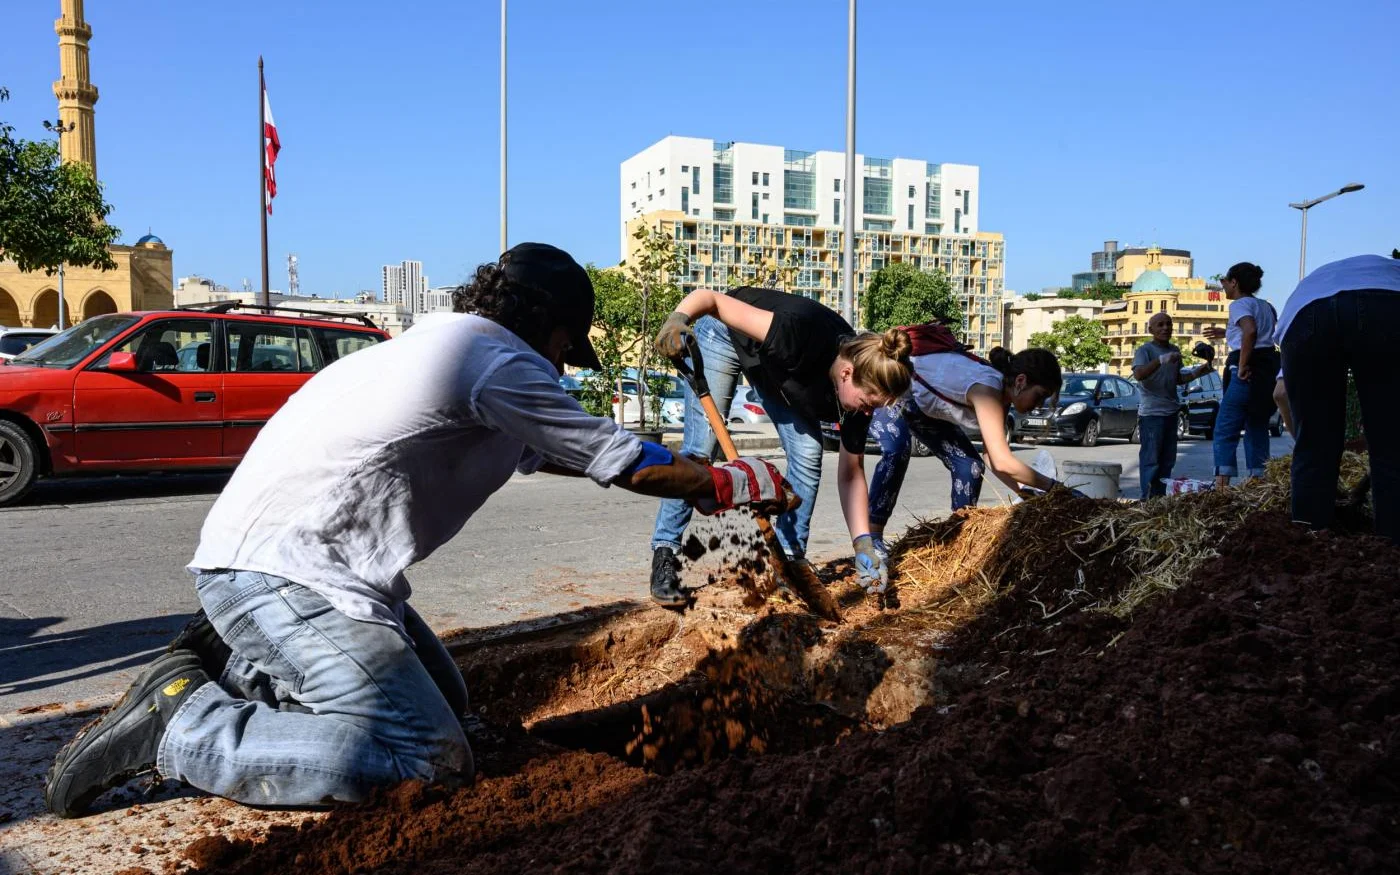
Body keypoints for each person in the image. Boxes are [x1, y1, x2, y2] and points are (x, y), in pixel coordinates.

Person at [45, 243, 797, 817]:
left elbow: (580, 450)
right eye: (569, 346)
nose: (566, 365)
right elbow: (622, 460)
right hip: (284, 576)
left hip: (285, 564)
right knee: (429, 756)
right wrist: (733, 481)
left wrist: (691, 467)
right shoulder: (494, 359)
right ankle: (186, 726)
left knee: (450, 696)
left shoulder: (446, 346)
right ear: (547, 324)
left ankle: (246, 665)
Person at [651, 287, 912, 601]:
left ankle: (788, 559)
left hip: (770, 365)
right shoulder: (797, 334)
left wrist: (863, 545)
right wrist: (677, 320)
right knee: (701, 448)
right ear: (846, 373)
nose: (869, 412)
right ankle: (665, 551)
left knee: (808, 451)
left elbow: (851, 473)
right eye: (869, 402)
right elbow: (711, 299)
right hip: (724, 332)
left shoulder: (859, 391)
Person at [867, 338, 1066, 545]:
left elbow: (992, 460)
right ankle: (873, 541)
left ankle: (959, 535)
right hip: (895, 386)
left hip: (922, 410)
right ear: (1021, 381)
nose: (1038, 405)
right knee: (897, 452)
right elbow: (1002, 461)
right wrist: (1055, 488)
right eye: (1039, 396)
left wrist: (1026, 494)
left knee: (970, 466)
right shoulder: (987, 389)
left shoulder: (1002, 398)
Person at [1278, 251, 1400, 542]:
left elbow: (1280, 392)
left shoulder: (1314, 283)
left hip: (1304, 313)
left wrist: (1306, 440)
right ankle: (1391, 547)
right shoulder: (1390, 275)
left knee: (1315, 445)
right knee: (1392, 442)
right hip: (1385, 306)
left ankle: (1308, 539)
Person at [1203, 262, 1279, 488]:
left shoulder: (1239, 304)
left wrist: (1244, 364)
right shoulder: (1266, 306)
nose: (1224, 286)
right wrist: (1226, 332)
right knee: (1256, 425)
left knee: (1225, 428)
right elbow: (1263, 333)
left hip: (1244, 371)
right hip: (1266, 373)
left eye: (1225, 282)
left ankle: (1222, 488)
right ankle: (1258, 483)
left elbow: (1251, 330)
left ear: (1234, 282)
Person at [1132, 312, 1213, 498]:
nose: (1165, 328)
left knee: (1167, 461)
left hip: (1171, 412)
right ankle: (1148, 499)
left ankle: (1160, 499)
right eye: (1160, 325)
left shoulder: (1174, 350)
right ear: (1150, 329)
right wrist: (1160, 361)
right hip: (1152, 414)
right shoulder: (1145, 351)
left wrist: (1198, 372)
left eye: (1168, 324)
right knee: (1151, 460)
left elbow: (1177, 379)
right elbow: (1139, 374)